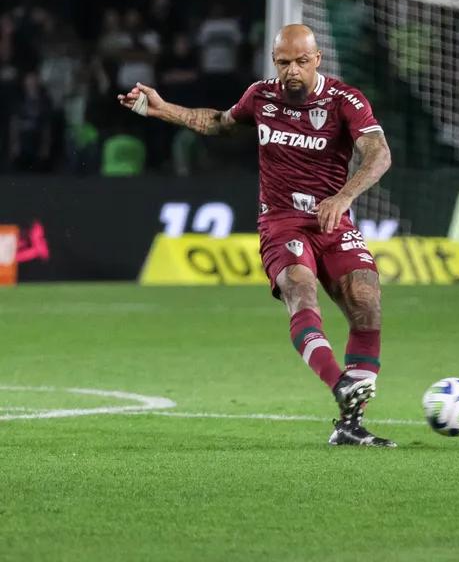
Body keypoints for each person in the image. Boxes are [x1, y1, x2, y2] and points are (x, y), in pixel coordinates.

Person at [117, 24, 396, 447]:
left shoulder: (345, 100)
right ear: (274, 63)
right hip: (281, 222)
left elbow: (379, 154)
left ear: (317, 59)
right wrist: (162, 109)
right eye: (283, 63)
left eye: (301, 61)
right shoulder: (261, 96)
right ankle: (340, 384)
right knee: (300, 289)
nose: (292, 72)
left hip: (330, 219)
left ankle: (350, 425)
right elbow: (219, 123)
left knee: (366, 300)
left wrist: (343, 197)